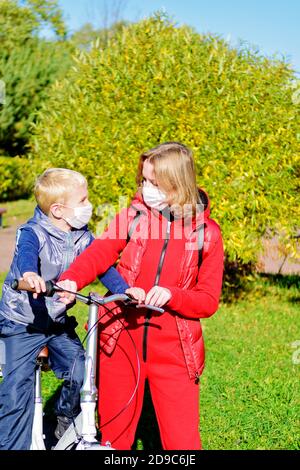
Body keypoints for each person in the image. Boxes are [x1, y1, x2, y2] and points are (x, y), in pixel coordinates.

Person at [58, 142, 224, 450]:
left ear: (176, 183)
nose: (145, 189)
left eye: (154, 183)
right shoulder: (133, 216)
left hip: (176, 352)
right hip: (120, 340)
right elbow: (99, 253)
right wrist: (71, 280)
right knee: (113, 440)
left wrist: (172, 295)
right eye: (143, 180)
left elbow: (207, 300)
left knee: (182, 442)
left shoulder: (207, 233)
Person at [0, 168, 140, 450]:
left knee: (82, 371)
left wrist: (124, 291)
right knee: (16, 395)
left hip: (55, 321)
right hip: (22, 323)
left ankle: (65, 418)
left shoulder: (82, 235)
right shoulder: (32, 232)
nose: (89, 206)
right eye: (84, 200)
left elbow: (101, 266)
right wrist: (30, 276)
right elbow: (26, 256)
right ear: (59, 210)